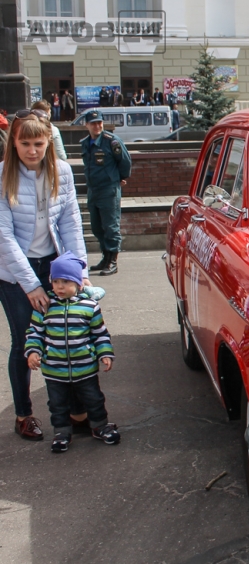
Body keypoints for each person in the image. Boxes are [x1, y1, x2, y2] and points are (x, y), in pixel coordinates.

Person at [0, 109, 90, 441]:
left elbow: (71, 223)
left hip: (54, 266)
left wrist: (80, 271)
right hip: (14, 273)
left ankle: (75, 411)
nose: (32, 150)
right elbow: (4, 236)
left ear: (48, 142)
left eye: (38, 143)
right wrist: (31, 285)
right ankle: (23, 414)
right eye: (25, 143)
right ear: (14, 143)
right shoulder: (3, 174)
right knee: (25, 341)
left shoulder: (61, 171)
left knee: (65, 335)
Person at [24, 251, 119, 453]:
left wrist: (105, 353)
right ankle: (61, 433)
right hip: (54, 370)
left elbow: (100, 333)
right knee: (57, 404)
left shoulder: (89, 306)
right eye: (55, 281)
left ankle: (100, 426)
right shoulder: (44, 307)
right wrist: (33, 351)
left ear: (78, 283)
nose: (59, 286)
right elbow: (35, 333)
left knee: (94, 399)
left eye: (66, 282)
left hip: (85, 367)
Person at [80, 110, 132, 276]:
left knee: (111, 226)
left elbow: (125, 162)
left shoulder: (111, 141)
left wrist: (119, 178)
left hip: (108, 189)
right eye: (93, 123)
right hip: (93, 189)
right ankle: (105, 257)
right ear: (87, 125)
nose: (97, 126)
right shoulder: (86, 143)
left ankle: (113, 260)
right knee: (97, 227)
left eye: (99, 123)